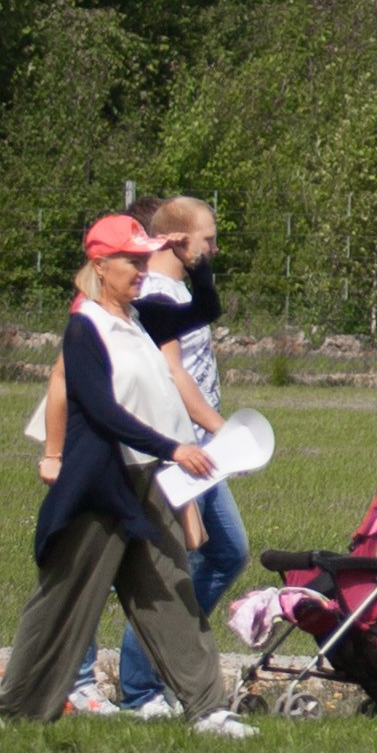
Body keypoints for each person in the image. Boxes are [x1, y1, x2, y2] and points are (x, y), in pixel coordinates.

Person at [0, 216, 247, 733]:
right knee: (64, 598)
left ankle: (208, 710)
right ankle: (10, 707)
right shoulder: (85, 327)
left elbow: (206, 309)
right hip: (100, 484)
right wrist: (173, 447)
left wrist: (198, 265)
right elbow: (102, 412)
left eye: (146, 259)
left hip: (149, 480)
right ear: (100, 265)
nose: (142, 270)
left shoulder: (140, 316)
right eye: (132, 260)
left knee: (171, 592)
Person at [105, 198, 249, 718]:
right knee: (180, 564)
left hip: (201, 449)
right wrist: (225, 431)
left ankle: (165, 668)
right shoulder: (156, 294)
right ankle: (143, 688)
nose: (213, 249)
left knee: (222, 553)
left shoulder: (180, 290)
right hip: (180, 450)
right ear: (177, 240)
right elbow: (174, 378)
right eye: (206, 240)